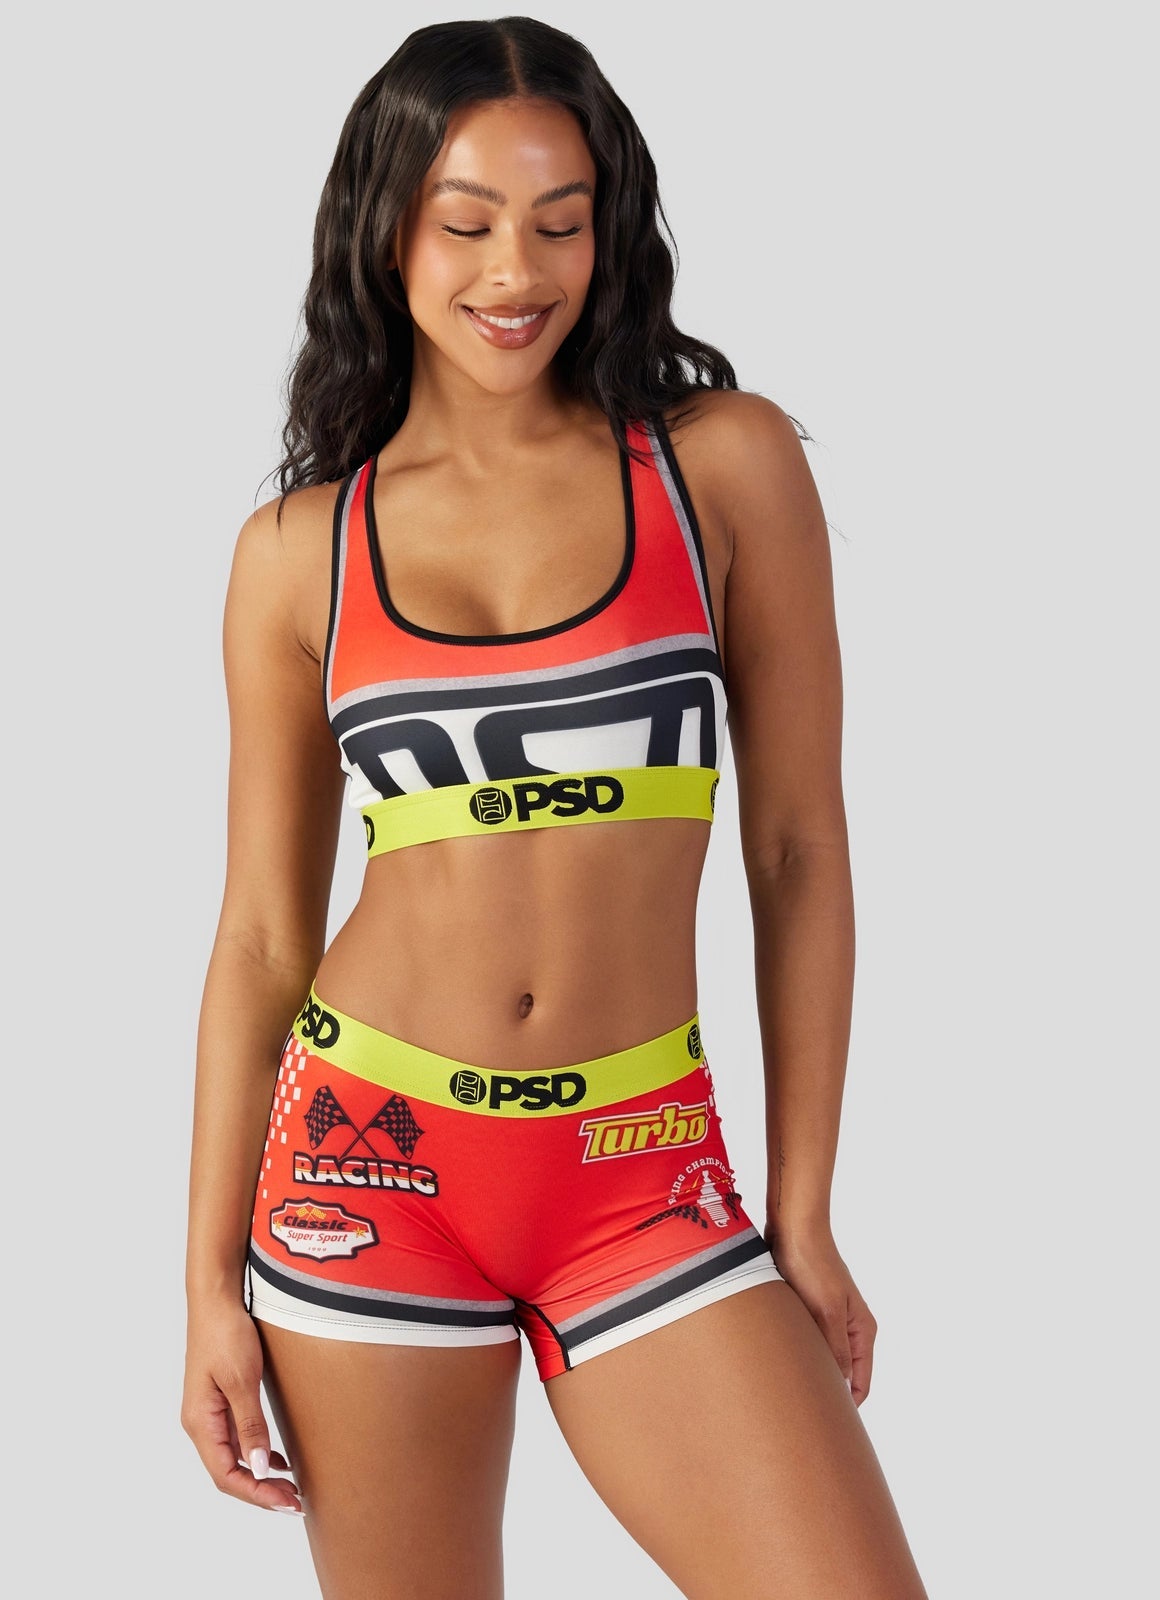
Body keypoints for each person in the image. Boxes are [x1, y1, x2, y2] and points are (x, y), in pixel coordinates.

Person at [182, 16, 929, 1598]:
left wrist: (802, 1211)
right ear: (386, 231)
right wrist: (203, 1292)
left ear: (611, 229)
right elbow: (259, 941)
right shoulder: (297, 556)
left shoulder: (721, 469)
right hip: (365, 1180)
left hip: (640, 1169)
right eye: (464, 223)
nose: (515, 270)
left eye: (560, 221)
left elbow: (798, 849)